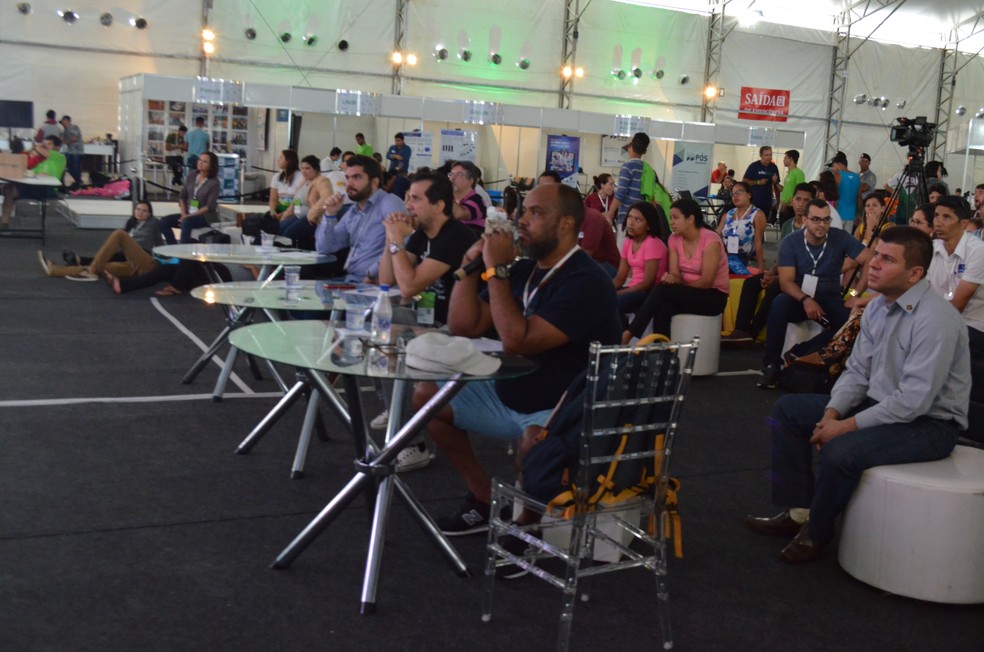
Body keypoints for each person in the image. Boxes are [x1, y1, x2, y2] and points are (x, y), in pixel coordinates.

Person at [745, 226, 969, 563]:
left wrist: (845, 427)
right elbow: (857, 372)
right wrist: (832, 413)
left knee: (841, 450)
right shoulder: (878, 308)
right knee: (788, 411)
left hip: (929, 424)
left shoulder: (936, 320)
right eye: (875, 255)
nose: (873, 264)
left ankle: (817, 532)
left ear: (915, 274)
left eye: (886, 259)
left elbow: (914, 401)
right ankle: (799, 513)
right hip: (881, 405)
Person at [413, 182, 620, 535]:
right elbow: (463, 325)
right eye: (523, 211)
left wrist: (498, 271)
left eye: (536, 213)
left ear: (567, 224)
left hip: (562, 410)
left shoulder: (586, 281)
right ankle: (483, 498)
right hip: (510, 396)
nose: (522, 220)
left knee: (534, 439)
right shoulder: (525, 271)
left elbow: (517, 341)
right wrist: (471, 266)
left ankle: (527, 528)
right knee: (426, 396)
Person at [758, 199, 872, 388]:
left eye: (826, 220)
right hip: (799, 296)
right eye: (816, 220)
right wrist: (805, 299)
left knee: (851, 321)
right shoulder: (791, 242)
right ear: (805, 220)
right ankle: (771, 365)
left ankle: (802, 352)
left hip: (830, 296)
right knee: (779, 303)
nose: (822, 225)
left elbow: (869, 259)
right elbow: (786, 282)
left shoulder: (839, 237)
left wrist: (855, 293)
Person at [622, 198, 729, 344]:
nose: (671, 222)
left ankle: (629, 334)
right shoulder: (674, 239)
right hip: (687, 293)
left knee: (663, 290)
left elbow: (706, 282)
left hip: (713, 296)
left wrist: (676, 286)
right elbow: (675, 275)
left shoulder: (711, 240)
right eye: (671, 217)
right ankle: (662, 353)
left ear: (690, 219)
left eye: (676, 218)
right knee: (663, 306)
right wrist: (672, 280)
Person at [725, 183, 818, 343]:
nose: (801, 204)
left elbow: (807, 263)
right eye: (798, 199)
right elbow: (783, 256)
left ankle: (754, 332)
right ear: (791, 201)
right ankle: (742, 329)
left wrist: (778, 277)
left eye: (806, 200)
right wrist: (770, 272)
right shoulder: (788, 224)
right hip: (782, 272)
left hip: (799, 279)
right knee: (751, 283)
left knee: (774, 288)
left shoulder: (813, 228)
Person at [314, 154, 402, 283]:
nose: (349, 184)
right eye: (347, 178)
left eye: (356, 177)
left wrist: (371, 273)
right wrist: (330, 214)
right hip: (350, 280)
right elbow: (324, 248)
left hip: (374, 284)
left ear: (374, 182)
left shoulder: (389, 203)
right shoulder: (354, 211)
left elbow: (400, 245)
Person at [38, 200, 163, 283]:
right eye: (138, 209)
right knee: (103, 267)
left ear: (150, 214)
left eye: (144, 211)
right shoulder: (132, 224)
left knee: (119, 234)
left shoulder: (153, 223)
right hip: (130, 265)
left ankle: (86, 265)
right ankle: (55, 270)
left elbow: (161, 243)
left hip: (144, 260)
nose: (140, 213)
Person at [928, 195, 984, 357]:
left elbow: (958, 305)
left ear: (964, 224)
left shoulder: (978, 251)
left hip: (972, 325)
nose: (938, 222)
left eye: (946, 217)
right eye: (936, 215)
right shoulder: (931, 248)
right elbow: (916, 289)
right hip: (939, 319)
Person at [538, 171, 619, 275]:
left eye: (548, 188)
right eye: (540, 188)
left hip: (603, 264)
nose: (543, 193)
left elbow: (585, 256)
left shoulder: (592, 218)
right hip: (586, 261)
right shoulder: (555, 217)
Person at [612, 201, 669, 328]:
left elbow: (648, 283)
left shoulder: (652, 243)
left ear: (648, 226)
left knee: (615, 302)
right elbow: (621, 277)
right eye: (630, 217)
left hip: (651, 293)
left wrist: (620, 293)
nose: (631, 223)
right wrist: (605, 289)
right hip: (634, 289)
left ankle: (623, 338)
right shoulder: (628, 242)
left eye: (638, 220)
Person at [2, 135, 66, 228]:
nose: (44, 146)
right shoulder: (38, 158)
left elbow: (40, 149)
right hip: (31, 186)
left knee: (9, 190)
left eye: (48, 144)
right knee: (9, 189)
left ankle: (4, 224)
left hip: (47, 189)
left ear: (57, 147)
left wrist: (36, 147)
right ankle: (4, 224)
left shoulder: (59, 157)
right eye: (44, 143)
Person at [159, 151, 220, 244]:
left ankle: (183, 252)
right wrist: (184, 214)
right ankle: (173, 248)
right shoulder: (192, 175)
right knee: (164, 221)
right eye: (200, 160)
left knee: (187, 222)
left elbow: (210, 206)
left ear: (211, 165)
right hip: (188, 213)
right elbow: (182, 196)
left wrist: (188, 216)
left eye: (205, 161)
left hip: (204, 216)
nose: (200, 163)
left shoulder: (214, 182)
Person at [716, 180, 766, 273]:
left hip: (742, 258)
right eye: (733, 193)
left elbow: (758, 242)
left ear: (749, 195)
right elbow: (716, 235)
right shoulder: (728, 214)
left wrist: (761, 267)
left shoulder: (757, 214)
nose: (735, 195)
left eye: (739, 192)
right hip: (723, 255)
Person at [280, 155, 330, 242]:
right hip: (298, 216)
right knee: (278, 229)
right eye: (302, 168)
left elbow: (326, 198)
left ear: (316, 169)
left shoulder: (322, 181)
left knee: (288, 235)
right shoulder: (304, 181)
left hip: (313, 220)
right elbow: (296, 201)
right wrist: (285, 215)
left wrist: (312, 213)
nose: (303, 171)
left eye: (307, 168)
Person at [610, 131, 649, 226]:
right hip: (641, 216)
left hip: (627, 217)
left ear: (629, 146)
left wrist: (610, 212)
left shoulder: (627, 166)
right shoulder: (647, 168)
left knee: (625, 241)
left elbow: (621, 192)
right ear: (645, 151)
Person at [268, 149, 305, 230]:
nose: (278, 160)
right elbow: (273, 198)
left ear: (288, 161)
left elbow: (298, 201)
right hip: (279, 211)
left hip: (294, 211)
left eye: (281, 158)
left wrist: (287, 214)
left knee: (282, 228)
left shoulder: (301, 177)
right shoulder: (276, 177)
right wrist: (273, 211)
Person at [448, 160, 486, 232]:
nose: (452, 178)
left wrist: (444, 192)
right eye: (451, 174)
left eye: (459, 174)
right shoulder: (454, 200)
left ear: (470, 181)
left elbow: (458, 214)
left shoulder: (477, 200)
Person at [742, 146, 780, 218]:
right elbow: (744, 181)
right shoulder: (754, 166)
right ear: (761, 155)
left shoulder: (774, 167)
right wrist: (758, 182)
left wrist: (778, 201)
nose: (769, 157)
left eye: (770, 155)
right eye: (766, 155)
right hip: (754, 201)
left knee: (763, 222)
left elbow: (776, 186)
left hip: (767, 201)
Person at [828, 151, 861, 233]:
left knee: (835, 240)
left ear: (839, 164)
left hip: (838, 214)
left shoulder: (837, 175)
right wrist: (858, 215)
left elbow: (832, 196)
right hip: (851, 216)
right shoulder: (856, 177)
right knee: (846, 240)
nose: (832, 168)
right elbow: (859, 198)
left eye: (833, 165)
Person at [778, 150, 805, 216]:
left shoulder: (799, 173)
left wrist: (791, 202)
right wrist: (775, 183)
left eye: (785, 158)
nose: (783, 160)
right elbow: (786, 190)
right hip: (784, 205)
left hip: (790, 207)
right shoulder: (789, 173)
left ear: (791, 159)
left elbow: (800, 191)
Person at [59, 115, 83, 189]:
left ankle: (78, 181)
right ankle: (78, 181)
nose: (62, 124)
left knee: (75, 167)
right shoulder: (65, 130)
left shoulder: (74, 127)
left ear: (66, 121)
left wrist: (66, 142)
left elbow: (75, 138)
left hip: (76, 151)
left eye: (63, 121)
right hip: (69, 151)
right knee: (68, 166)